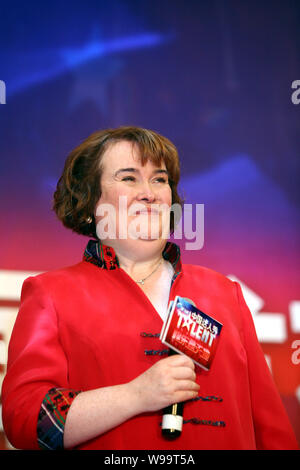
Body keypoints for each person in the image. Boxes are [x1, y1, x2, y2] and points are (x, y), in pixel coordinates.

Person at [1, 126, 298, 450]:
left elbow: (271, 429)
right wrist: (136, 395)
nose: (150, 192)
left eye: (159, 179)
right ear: (89, 206)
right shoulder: (52, 294)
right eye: (129, 178)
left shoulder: (224, 293)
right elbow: (27, 418)